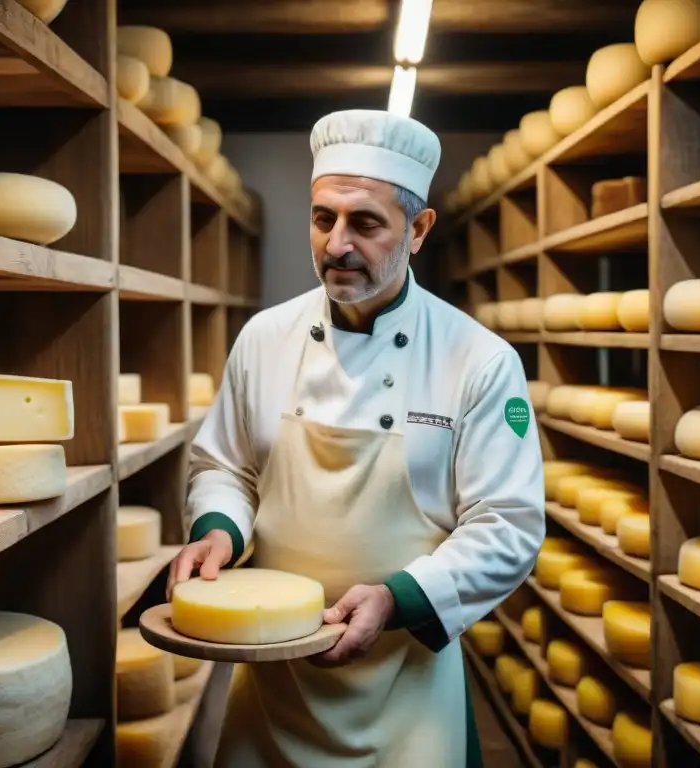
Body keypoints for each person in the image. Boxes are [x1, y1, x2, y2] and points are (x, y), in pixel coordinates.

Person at [167, 108, 546, 767]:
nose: (336, 244)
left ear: (419, 229)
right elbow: (225, 464)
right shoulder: (264, 338)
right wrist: (220, 530)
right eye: (322, 218)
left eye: (365, 223)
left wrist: (397, 600)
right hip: (273, 678)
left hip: (404, 688)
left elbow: (508, 525)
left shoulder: (478, 361)